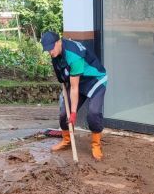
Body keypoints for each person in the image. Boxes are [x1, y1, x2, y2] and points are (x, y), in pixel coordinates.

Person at [41, 31, 107, 161]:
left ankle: (96, 145)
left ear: (59, 42)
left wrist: (74, 113)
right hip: (78, 81)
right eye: (47, 49)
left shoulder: (73, 55)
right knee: (63, 115)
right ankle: (66, 140)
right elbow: (64, 79)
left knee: (93, 114)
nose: (50, 52)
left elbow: (75, 88)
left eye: (51, 48)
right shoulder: (55, 55)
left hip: (95, 80)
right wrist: (69, 112)